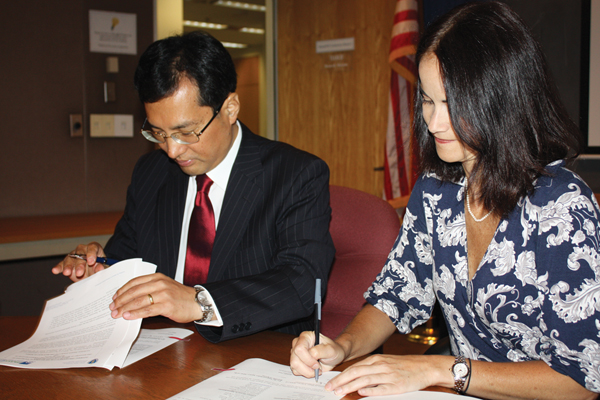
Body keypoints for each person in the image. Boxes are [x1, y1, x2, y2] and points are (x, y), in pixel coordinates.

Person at [290, 2, 600, 399]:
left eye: (453, 104)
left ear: (501, 98)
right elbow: (397, 293)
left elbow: (581, 380)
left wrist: (440, 369)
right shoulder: (437, 190)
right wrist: (342, 346)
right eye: (428, 101)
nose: (434, 123)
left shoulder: (562, 206)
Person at [52, 31, 335, 343]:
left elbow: (301, 283)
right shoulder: (152, 173)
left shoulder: (295, 174)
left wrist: (198, 302)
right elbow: (127, 260)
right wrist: (100, 268)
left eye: (185, 132)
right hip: (161, 355)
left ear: (230, 108)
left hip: (255, 354)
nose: (172, 151)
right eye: (158, 133)